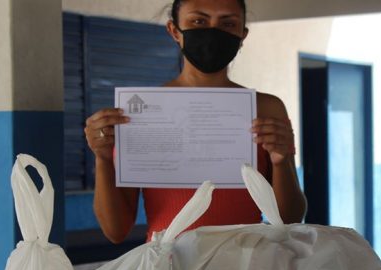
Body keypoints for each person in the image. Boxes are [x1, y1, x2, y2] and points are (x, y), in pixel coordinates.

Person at [84, 0, 306, 243]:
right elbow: (115, 231)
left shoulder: (266, 108)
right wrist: (103, 159)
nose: (213, 31)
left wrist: (282, 160)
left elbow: (290, 220)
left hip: (246, 269)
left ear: (242, 35)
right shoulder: (142, 113)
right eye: (199, 21)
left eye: (228, 23)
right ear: (174, 31)